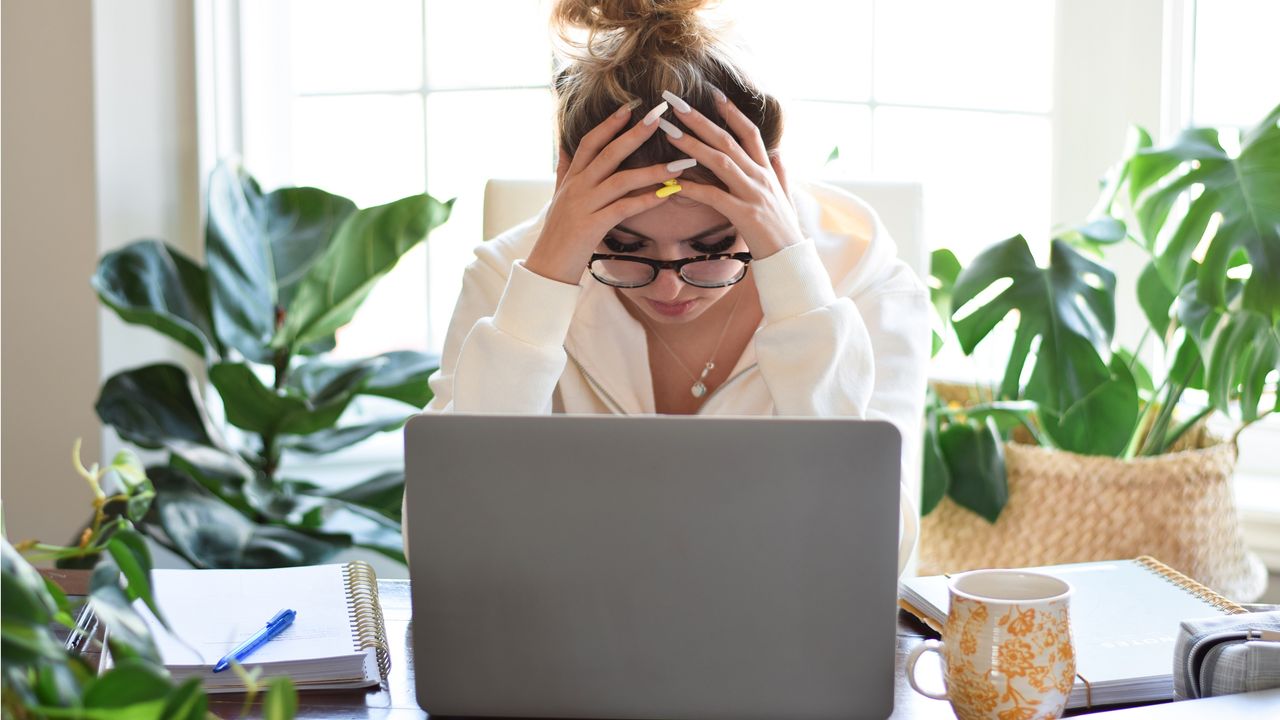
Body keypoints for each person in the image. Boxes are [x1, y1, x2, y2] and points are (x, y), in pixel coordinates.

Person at [416, 0, 930, 573]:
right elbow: (442, 544)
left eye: (711, 248)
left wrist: (793, 279)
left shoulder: (869, 289)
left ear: (772, 187)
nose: (669, 289)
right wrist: (545, 286)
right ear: (567, 187)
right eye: (626, 248)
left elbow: (881, 553)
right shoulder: (510, 278)